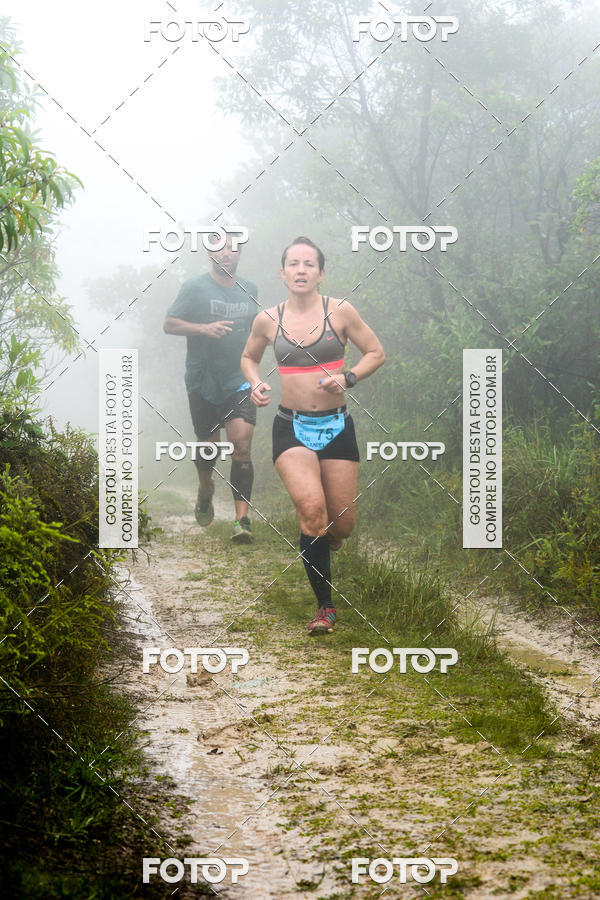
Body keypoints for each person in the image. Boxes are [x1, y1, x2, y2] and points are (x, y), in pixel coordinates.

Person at [241, 236, 385, 633]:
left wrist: (348, 376)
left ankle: (323, 538)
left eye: (309, 263)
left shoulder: (340, 311)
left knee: (341, 526)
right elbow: (249, 357)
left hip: (337, 425)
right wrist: (255, 384)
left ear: (321, 273)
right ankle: (325, 608)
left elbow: (376, 352)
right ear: (282, 272)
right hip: (291, 427)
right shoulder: (267, 319)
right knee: (312, 512)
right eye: (293, 263)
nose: (301, 269)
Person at [163, 232, 258, 542]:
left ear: (240, 254)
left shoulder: (250, 288)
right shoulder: (194, 288)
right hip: (203, 379)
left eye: (233, 248)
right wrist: (203, 328)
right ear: (209, 253)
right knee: (209, 447)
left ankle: (242, 521)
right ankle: (205, 488)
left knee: (242, 445)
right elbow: (170, 323)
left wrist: (256, 374)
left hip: (238, 379)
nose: (227, 253)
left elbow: (257, 333)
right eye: (220, 248)